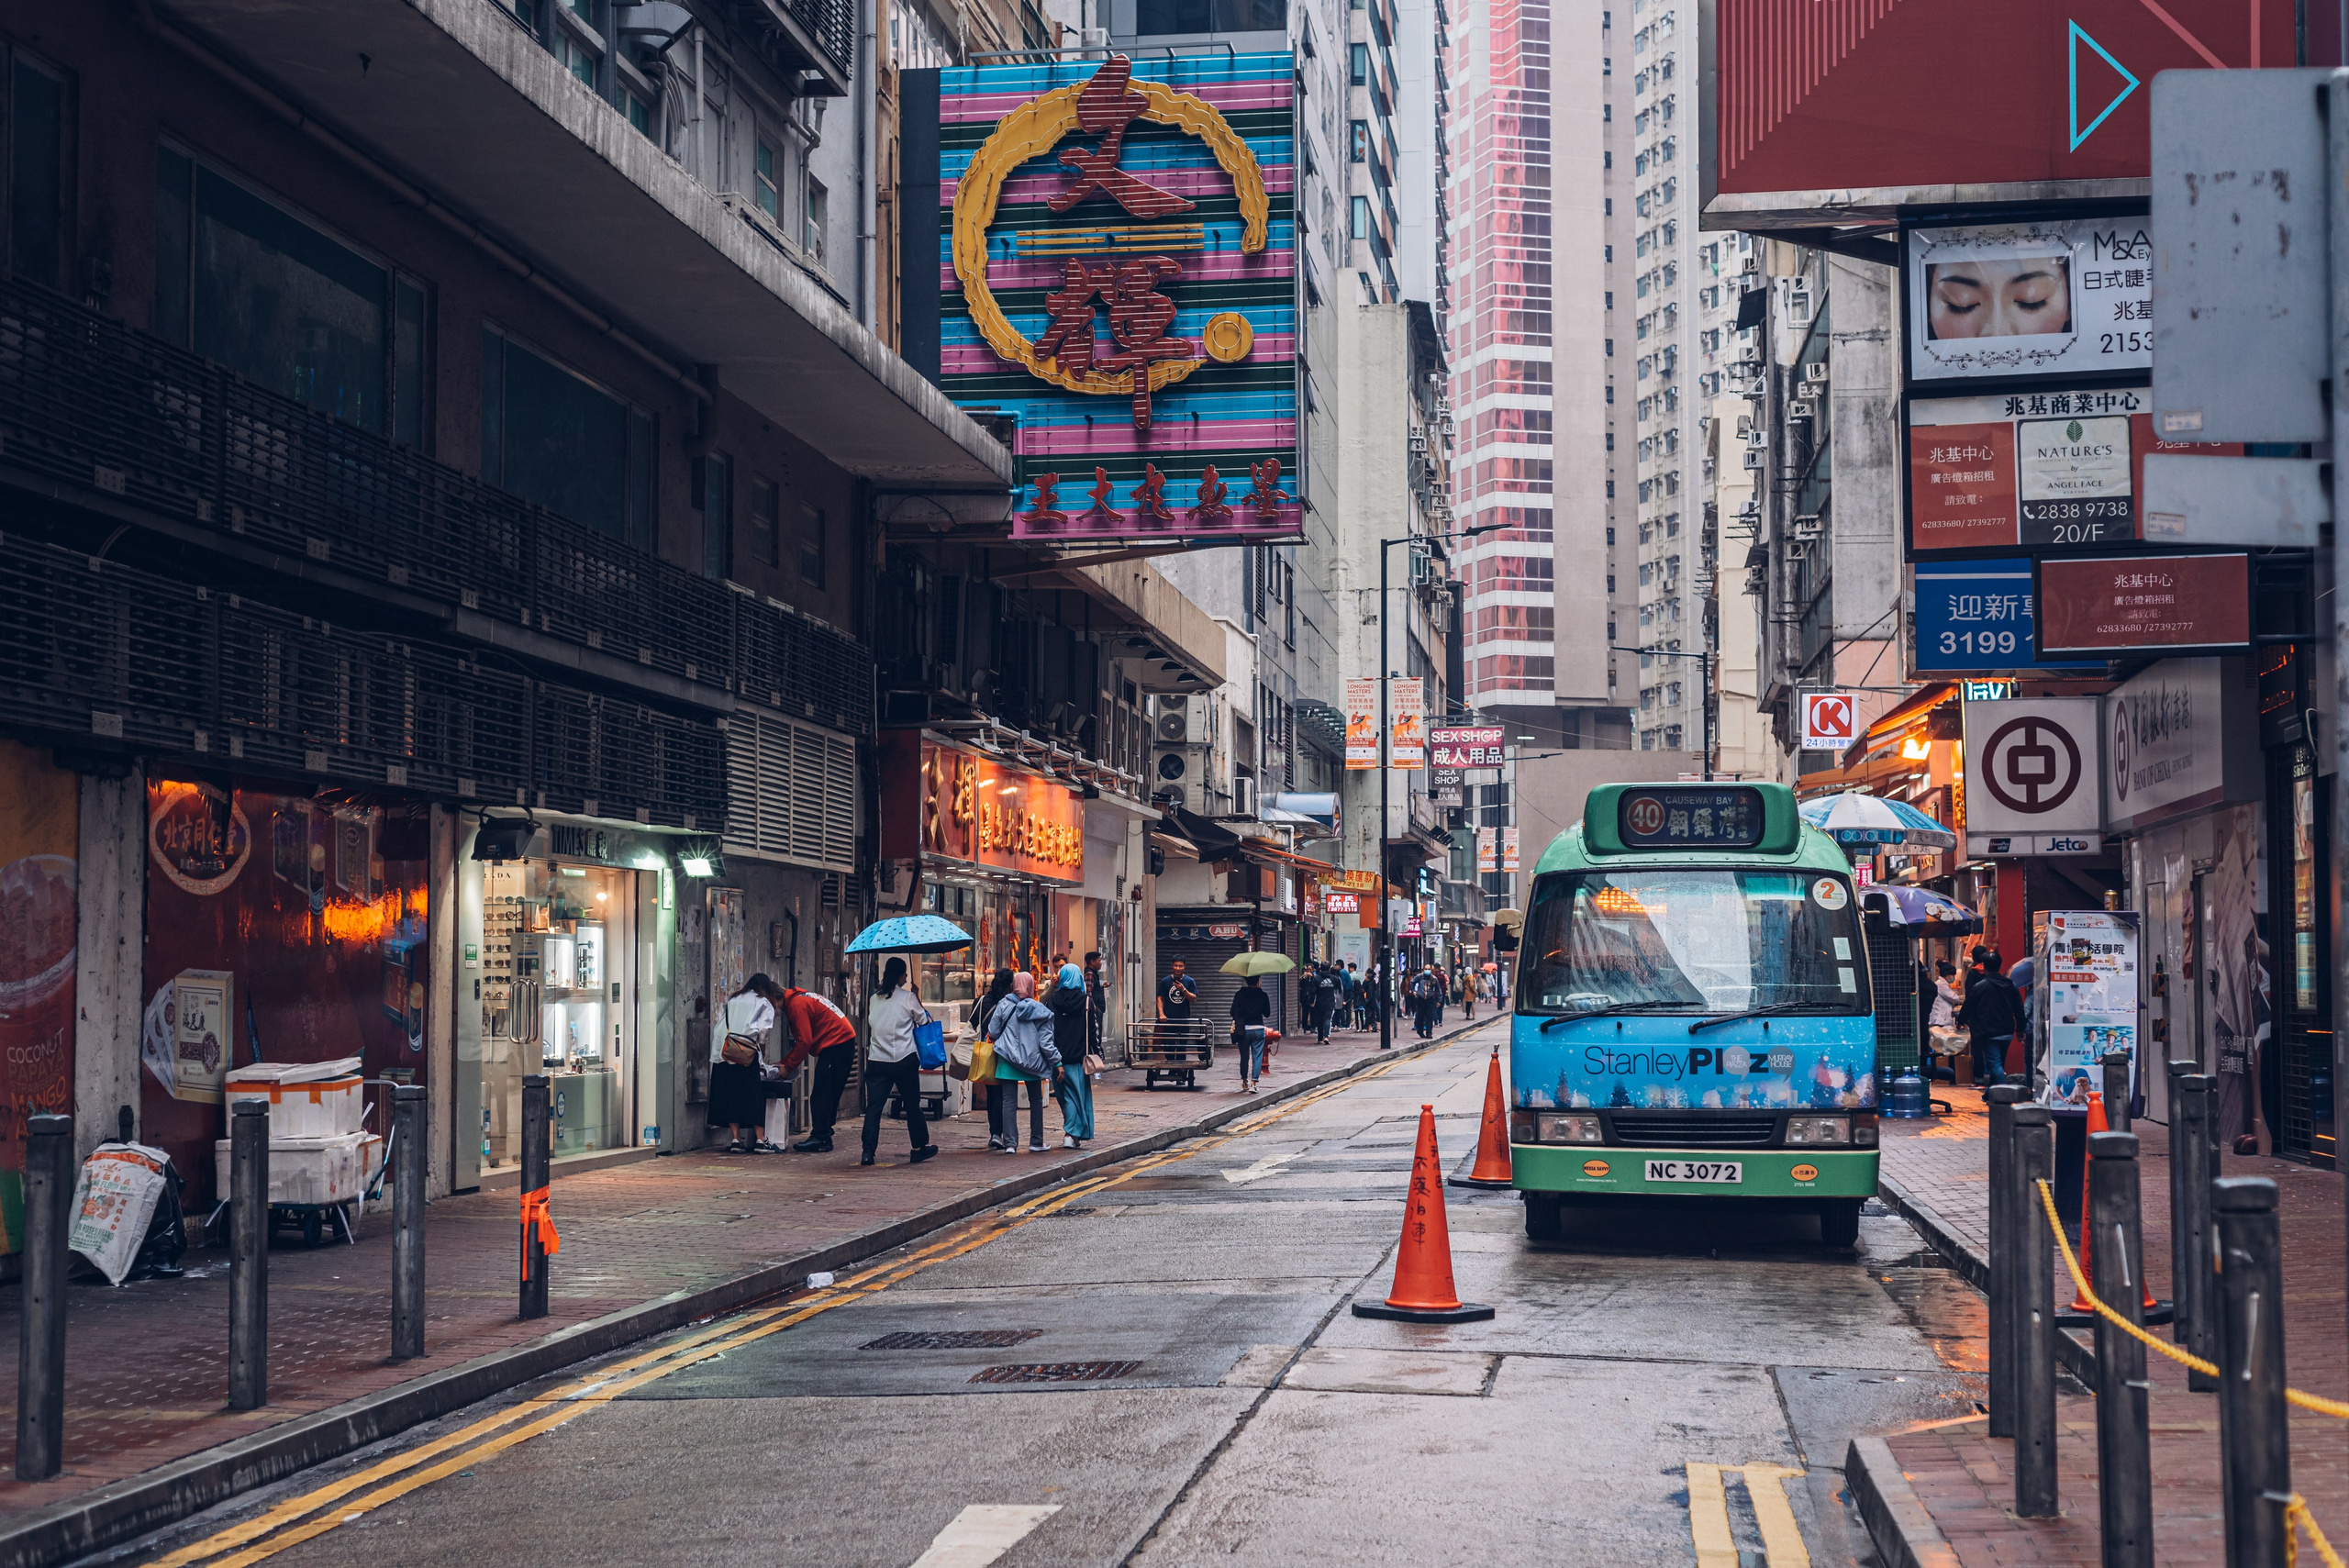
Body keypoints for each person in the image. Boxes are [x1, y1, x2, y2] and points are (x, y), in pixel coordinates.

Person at [861, 958, 940, 1167]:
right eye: (905, 974)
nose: (906, 977)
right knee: (912, 1105)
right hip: (904, 1059)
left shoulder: (874, 999)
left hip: (877, 1060)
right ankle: (919, 1148)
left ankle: (868, 1152)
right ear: (900, 975)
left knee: (874, 1108)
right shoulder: (908, 997)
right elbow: (924, 1021)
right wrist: (917, 997)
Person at [776, 983, 860, 1152]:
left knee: (821, 1093)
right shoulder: (802, 998)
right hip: (841, 1042)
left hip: (837, 1044)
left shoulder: (796, 1005)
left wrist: (788, 1067)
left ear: (775, 999)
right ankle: (825, 1130)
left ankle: (821, 1138)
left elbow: (804, 1042)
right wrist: (784, 1062)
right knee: (828, 1090)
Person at [986, 972, 1062, 1151]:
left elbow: (993, 1031)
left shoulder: (1003, 1004)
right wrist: (1057, 1062)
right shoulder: (1038, 1009)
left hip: (1007, 1059)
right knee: (1035, 1100)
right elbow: (1045, 1041)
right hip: (1031, 1061)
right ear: (1031, 986)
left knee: (1008, 1101)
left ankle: (1010, 1144)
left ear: (1014, 985)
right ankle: (1036, 1141)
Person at [708, 973, 784, 1153]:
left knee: (731, 1095)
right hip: (745, 1054)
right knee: (753, 1096)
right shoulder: (763, 1002)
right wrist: (761, 1053)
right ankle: (760, 1141)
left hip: (725, 1050)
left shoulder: (734, 999)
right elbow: (763, 1032)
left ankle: (736, 1139)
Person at [1957, 950, 2024, 1089]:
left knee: (1995, 1065)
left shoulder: (1980, 987)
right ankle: (1991, 1093)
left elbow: (1968, 1005)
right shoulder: (2011, 985)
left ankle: (2003, 1092)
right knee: (1998, 1063)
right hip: (2007, 1030)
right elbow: (2019, 1008)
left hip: (1988, 1031)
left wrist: (1961, 1021)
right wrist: (2020, 1028)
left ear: (1985, 967)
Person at [1048, 962, 1095, 1149]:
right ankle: (1070, 1133)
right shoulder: (1086, 1001)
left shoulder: (1052, 1000)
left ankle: (1073, 1132)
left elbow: (1047, 1030)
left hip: (1057, 1059)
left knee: (1064, 1097)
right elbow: (1093, 1032)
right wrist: (1096, 1053)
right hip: (1077, 1059)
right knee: (1075, 1097)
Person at [974, 968, 1016, 1151]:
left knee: (992, 1093)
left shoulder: (981, 1001)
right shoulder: (1010, 1004)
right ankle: (1004, 1135)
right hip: (1006, 1052)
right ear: (1010, 985)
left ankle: (995, 1133)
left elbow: (973, 1024)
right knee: (1006, 1095)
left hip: (986, 1052)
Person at [1230, 972, 1273, 1090]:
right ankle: (1254, 1083)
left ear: (1246, 981)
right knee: (1257, 1056)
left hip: (1243, 1030)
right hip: (1258, 1029)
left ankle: (1245, 1081)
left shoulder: (1239, 994)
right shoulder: (1263, 995)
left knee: (1244, 1056)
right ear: (1258, 981)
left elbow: (1232, 1012)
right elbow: (1267, 1013)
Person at [1157, 959, 1197, 1023]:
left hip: (1184, 1020)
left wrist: (1183, 989)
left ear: (1184, 966)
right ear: (1172, 966)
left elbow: (1194, 999)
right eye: (1176, 965)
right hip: (1167, 1020)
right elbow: (1159, 998)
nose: (1178, 968)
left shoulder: (1190, 981)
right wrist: (1161, 1014)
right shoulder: (1165, 981)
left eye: (1180, 966)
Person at [1313, 962, 1338, 1042]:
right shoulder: (1334, 979)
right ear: (1329, 968)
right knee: (1327, 1019)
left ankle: (1320, 1037)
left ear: (1320, 968)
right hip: (1330, 1002)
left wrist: (1312, 1001)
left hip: (1319, 1002)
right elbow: (1337, 987)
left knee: (1319, 1020)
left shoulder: (1316, 978)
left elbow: (1313, 991)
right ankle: (1326, 1036)